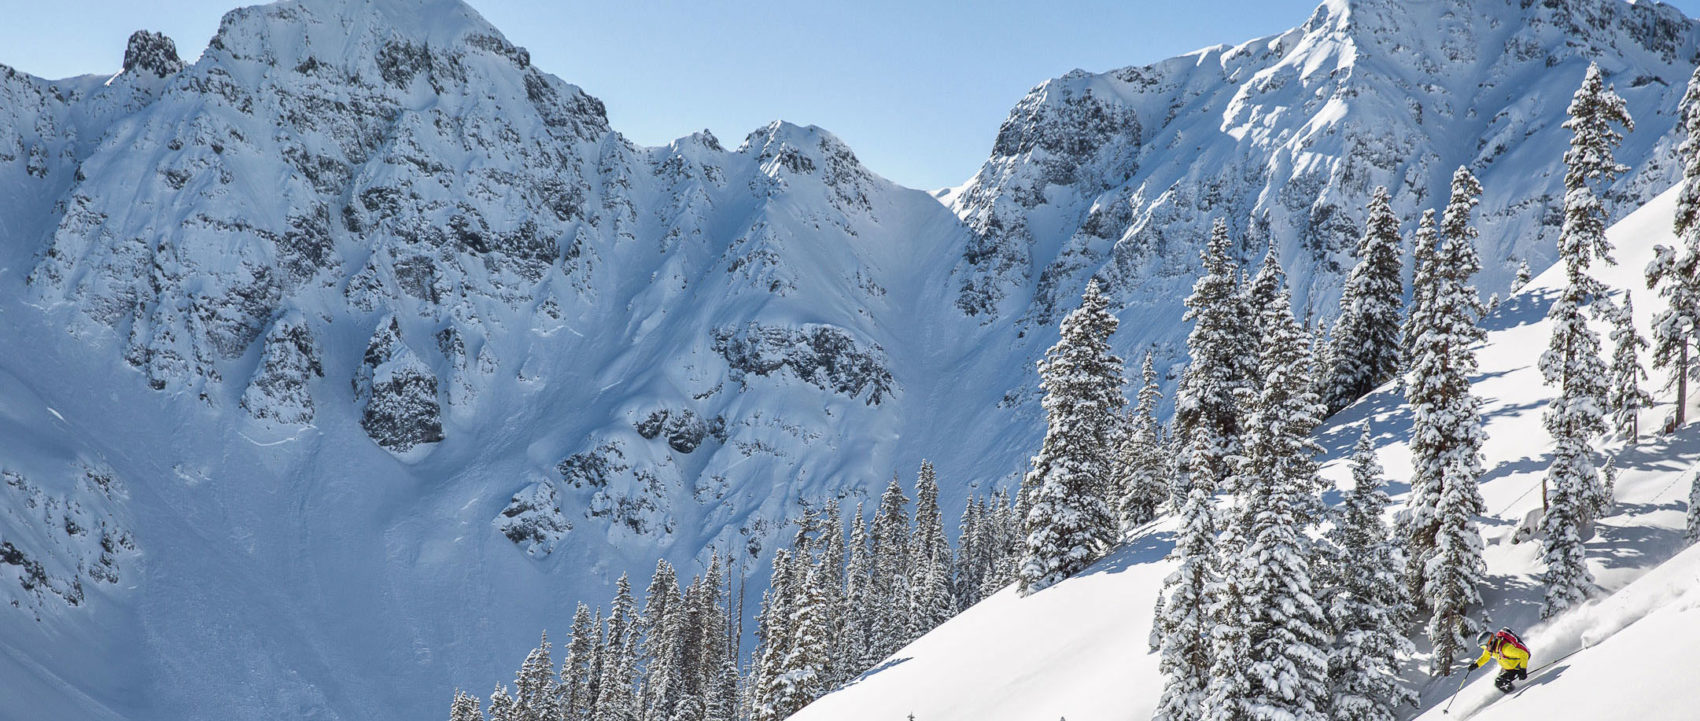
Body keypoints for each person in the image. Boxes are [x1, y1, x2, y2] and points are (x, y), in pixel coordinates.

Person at [1470, 628, 1530, 692]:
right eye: (1483, 647)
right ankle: (1511, 690)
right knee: (1499, 681)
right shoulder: (1491, 649)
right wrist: (1476, 664)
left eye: (1484, 646)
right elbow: (1485, 657)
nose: (1485, 649)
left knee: (1499, 682)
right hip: (1507, 667)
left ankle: (1514, 692)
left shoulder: (1505, 649)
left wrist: (1523, 670)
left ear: (1490, 642)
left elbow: (1523, 654)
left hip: (1516, 667)